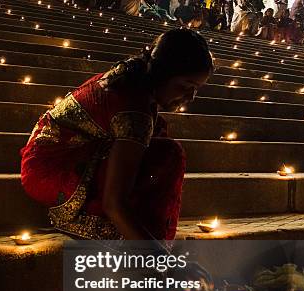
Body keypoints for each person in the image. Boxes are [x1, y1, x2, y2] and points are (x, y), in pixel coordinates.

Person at [20, 29, 214, 242]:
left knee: (158, 141)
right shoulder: (134, 108)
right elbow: (114, 203)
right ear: (163, 72)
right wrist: (161, 262)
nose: (191, 97)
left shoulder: (133, 76)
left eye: (196, 89)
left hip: (54, 156)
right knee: (170, 154)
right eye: (186, 86)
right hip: (49, 169)